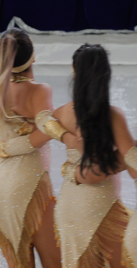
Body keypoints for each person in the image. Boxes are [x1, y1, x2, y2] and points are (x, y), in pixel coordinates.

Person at [0, 28, 63, 268]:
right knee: (54, 263)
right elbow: (46, 129)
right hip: (29, 186)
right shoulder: (39, 91)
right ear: (32, 56)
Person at [49, 44, 131, 268]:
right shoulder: (113, 116)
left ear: (75, 74)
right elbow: (130, 158)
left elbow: (39, 123)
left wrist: (65, 144)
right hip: (100, 204)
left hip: (70, 204)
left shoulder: (61, 113)